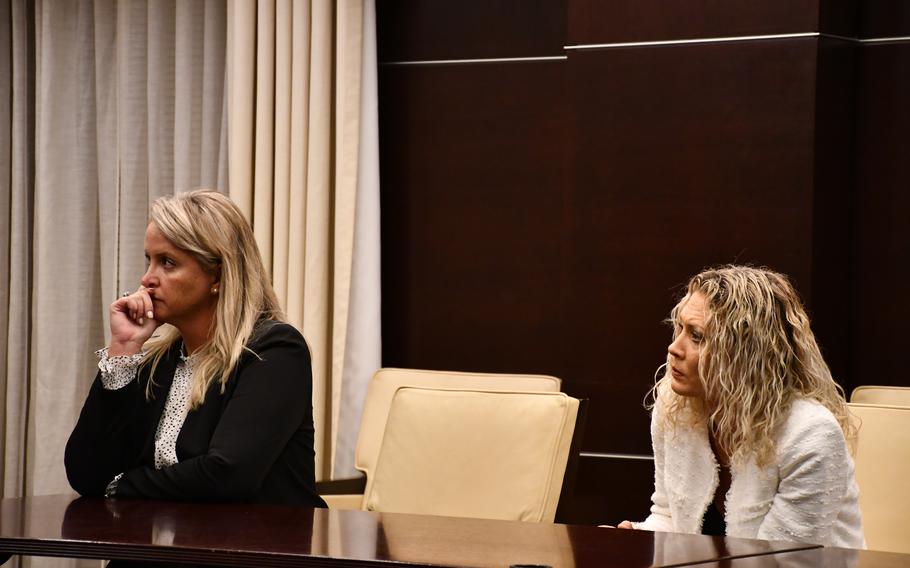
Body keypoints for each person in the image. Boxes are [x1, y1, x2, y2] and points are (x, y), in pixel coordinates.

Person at [66, 189, 326, 509]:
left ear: (216, 274)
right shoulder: (157, 362)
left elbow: (227, 474)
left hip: (254, 550)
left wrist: (123, 484)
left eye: (168, 263)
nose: (147, 279)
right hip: (161, 543)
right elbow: (86, 474)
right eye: (149, 261)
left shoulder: (275, 351)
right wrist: (123, 349)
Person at [618, 265, 863, 548]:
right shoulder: (675, 405)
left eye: (697, 336)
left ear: (742, 354)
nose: (674, 348)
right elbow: (670, 517)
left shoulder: (810, 434)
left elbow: (782, 562)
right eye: (680, 329)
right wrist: (634, 537)